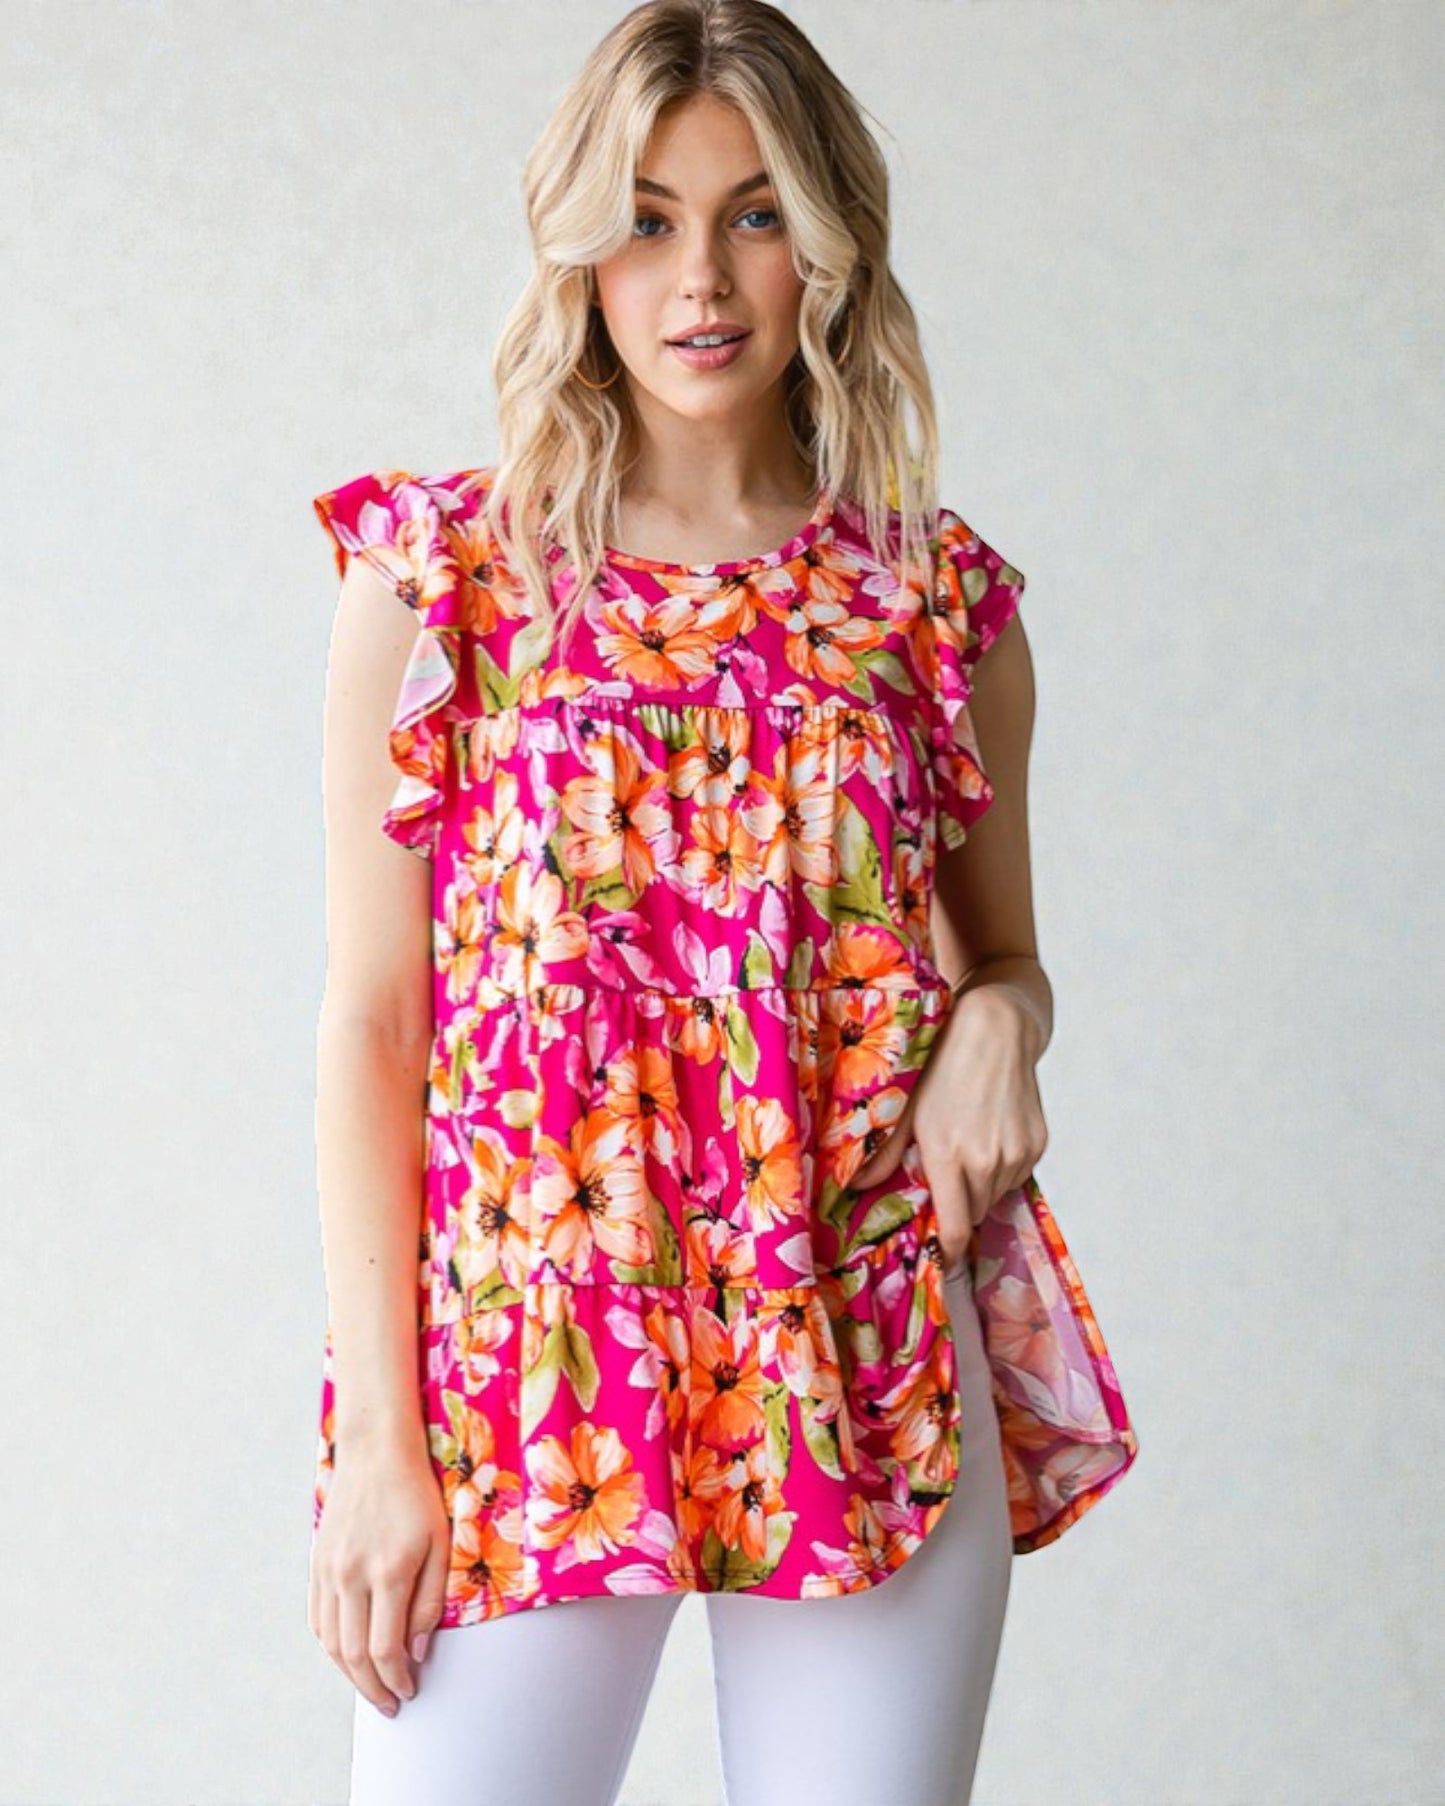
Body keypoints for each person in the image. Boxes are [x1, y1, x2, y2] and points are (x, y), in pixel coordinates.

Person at [306, 4, 1139, 1801]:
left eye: (755, 214)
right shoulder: (441, 580)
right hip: (526, 1360)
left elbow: (1002, 955)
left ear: (827, 246)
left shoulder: (930, 599)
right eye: (649, 214)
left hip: (857, 1342)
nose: (701, 277)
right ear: (577, 242)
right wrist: (380, 1442)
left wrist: (1001, 1017)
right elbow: (373, 1026)